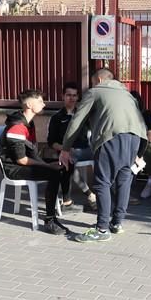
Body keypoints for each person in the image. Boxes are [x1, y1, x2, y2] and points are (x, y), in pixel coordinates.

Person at [59, 68, 147, 243]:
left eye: (92, 82)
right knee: (123, 180)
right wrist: (141, 153)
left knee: (102, 183)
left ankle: (101, 228)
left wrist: (65, 148)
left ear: (99, 79)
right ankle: (117, 223)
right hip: (136, 139)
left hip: (112, 138)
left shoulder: (95, 91)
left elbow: (77, 120)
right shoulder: (127, 94)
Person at [0, 89, 69, 235]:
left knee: (63, 165)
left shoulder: (29, 123)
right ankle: (49, 220)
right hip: (14, 168)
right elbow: (21, 160)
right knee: (53, 174)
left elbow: (31, 152)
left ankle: (65, 203)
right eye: (40, 101)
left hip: (23, 162)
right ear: (30, 105)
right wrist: (47, 165)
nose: (44, 104)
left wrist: (49, 162)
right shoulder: (17, 127)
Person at [47, 82, 96, 210]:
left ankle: (105, 195)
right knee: (67, 160)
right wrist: (64, 149)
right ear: (63, 96)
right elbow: (51, 142)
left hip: (86, 150)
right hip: (67, 151)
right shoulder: (57, 118)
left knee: (105, 157)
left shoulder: (83, 115)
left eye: (74, 95)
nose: (72, 98)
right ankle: (81, 197)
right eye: (68, 95)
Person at [130, 91, 151, 200]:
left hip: (146, 143)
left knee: (149, 149)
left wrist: (140, 153)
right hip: (131, 142)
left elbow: (150, 137)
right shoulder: (126, 115)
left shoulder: (145, 114)